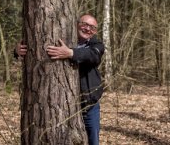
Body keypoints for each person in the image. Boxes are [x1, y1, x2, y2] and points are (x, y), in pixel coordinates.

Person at [14, 14, 104, 145]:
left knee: (92, 141)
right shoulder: (62, 34)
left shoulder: (96, 45)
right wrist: (17, 51)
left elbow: (93, 56)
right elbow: (32, 46)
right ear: (76, 23)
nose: (88, 29)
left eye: (92, 27)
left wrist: (70, 53)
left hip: (89, 107)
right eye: (85, 24)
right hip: (61, 106)